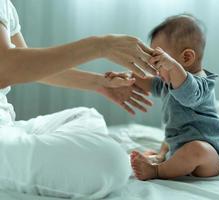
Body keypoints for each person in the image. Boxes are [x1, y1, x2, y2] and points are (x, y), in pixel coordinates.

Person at [0, 0, 155, 198]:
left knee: (87, 117)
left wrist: (100, 83)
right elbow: (6, 69)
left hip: (8, 126)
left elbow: (30, 68)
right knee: (111, 161)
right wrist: (102, 46)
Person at [107, 14, 219, 181]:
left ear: (186, 58)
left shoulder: (201, 85)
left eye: (159, 62)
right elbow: (148, 83)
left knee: (196, 150)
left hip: (211, 157)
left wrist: (172, 66)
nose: (155, 70)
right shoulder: (168, 82)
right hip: (177, 147)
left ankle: (158, 170)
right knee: (168, 140)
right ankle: (162, 157)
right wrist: (126, 78)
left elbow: (188, 95)